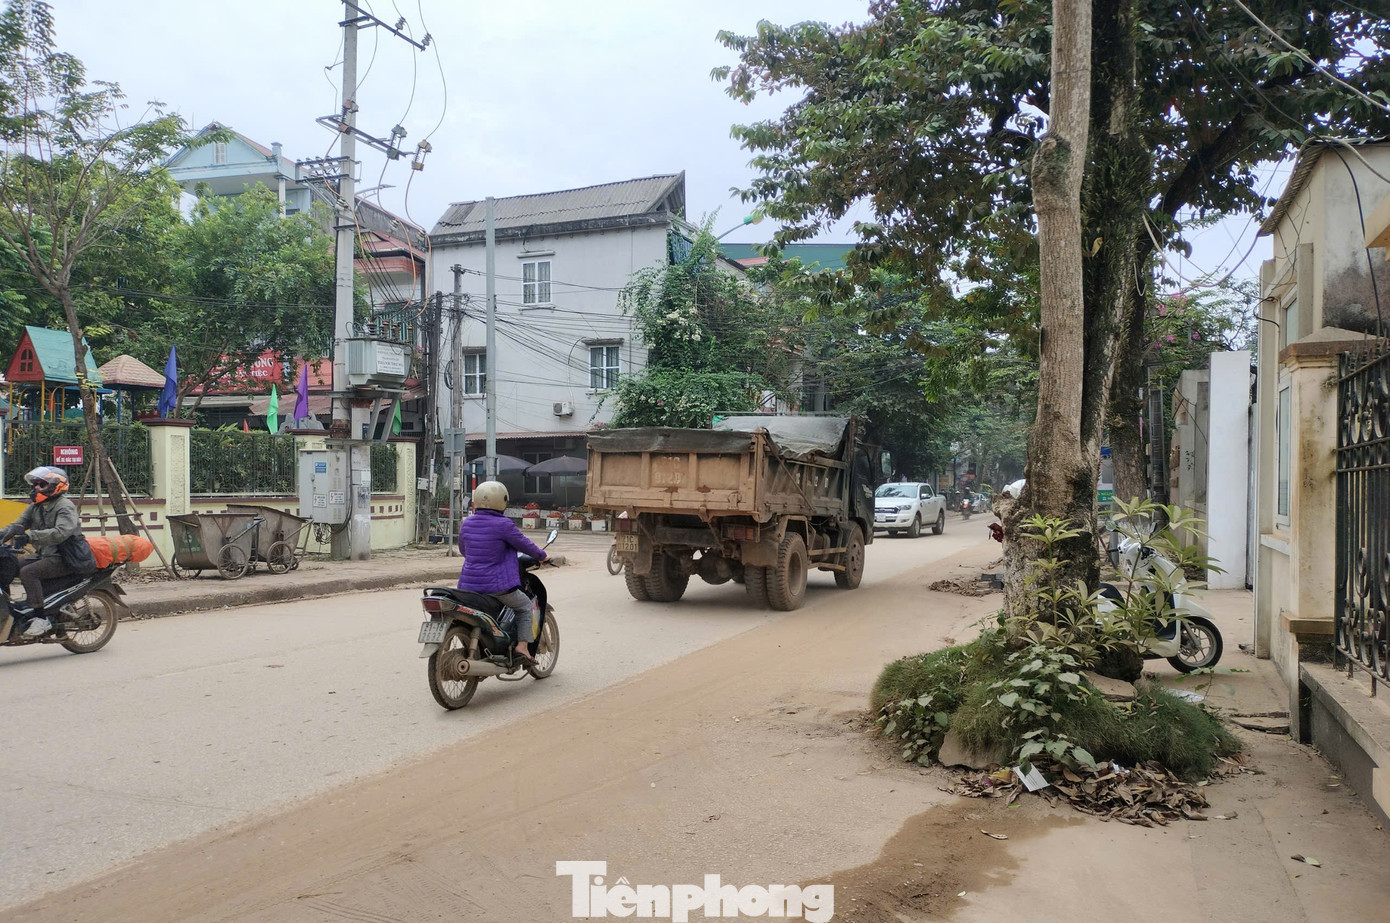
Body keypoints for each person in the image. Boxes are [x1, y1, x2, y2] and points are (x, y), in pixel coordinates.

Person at [456, 480, 550, 665]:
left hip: (467, 587)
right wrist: (542, 556)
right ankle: (522, 647)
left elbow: (463, 550)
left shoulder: (467, 523)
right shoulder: (503, 524)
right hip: (495, 587)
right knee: (524, 606)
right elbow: (524, 544)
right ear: (502, 501)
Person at [0, 466, 96, 637]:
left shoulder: (64, 506)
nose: (36, 487)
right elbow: (18, 525)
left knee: (28, 572)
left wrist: (30, 537)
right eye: (35, 484)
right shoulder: (36, 506)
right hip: (45, 554)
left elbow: (61, 533)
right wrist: (4, 533)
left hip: (65, 557)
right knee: (9, 564)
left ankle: (41, 618)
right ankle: (8, 610)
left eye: (41, 484)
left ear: (56, 485)